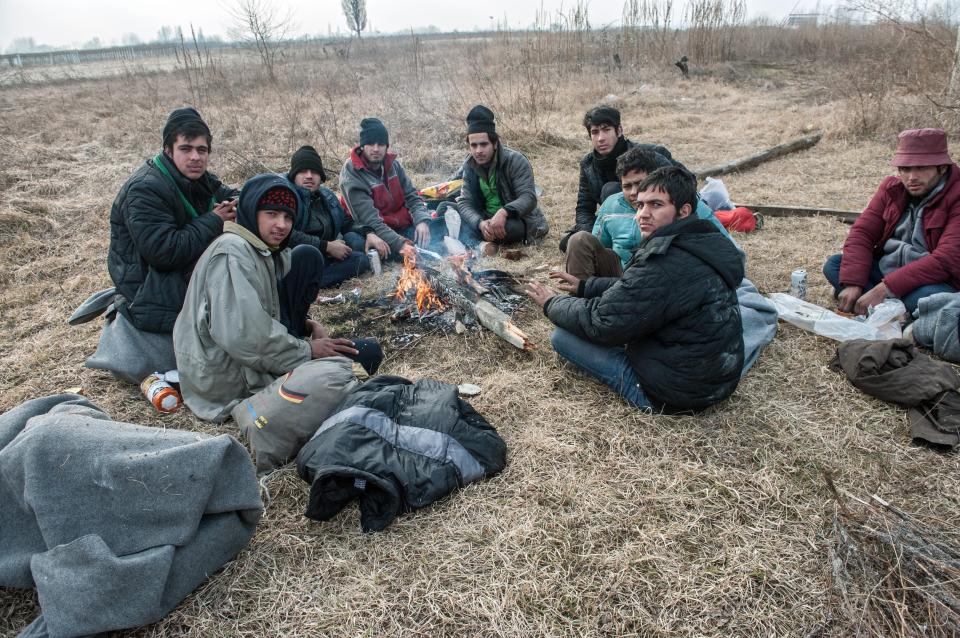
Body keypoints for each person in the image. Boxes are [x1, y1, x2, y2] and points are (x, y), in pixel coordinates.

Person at [526, 166, 744, 412]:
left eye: (656, 205)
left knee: (562, 337)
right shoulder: (699, 242)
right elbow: (638, 290)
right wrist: (586, 286)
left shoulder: (666, 262)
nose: (642, 214)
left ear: (684, 211)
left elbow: (602, 322)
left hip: (675, 394)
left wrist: (551, 303)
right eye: (640, 206)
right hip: (717, 379)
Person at [173, 173, 382, 422]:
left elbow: (262, 311)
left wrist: (308, 325)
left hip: (249, 358)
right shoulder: (233, 253)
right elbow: (245, 339)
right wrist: (307, 351)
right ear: (252, 212)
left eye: (288, 217)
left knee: (306, 256)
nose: (282, 225)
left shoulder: (264, 248)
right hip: (229, 379)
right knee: (366, 354)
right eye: (271, 214)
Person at [823, 128, 960, 316]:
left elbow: (946, 260)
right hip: (888, 271)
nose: (912, 177)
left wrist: (884, 289)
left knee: (922, 299)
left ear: (942, 167)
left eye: (921, 168)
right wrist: (853, 283)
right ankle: (893, 310)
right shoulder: (892, 189)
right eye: (905, 169)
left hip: (933, 281)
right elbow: (862, 232)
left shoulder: (957, 196)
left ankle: (884, 305)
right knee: (835, 265)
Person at [565, 146, 730, 280]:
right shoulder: (611, 205)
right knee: (579, 240)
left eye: (640, 183)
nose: (634, 192)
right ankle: (582, 303)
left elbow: (726, 249)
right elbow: (597, 248)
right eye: (627, 186)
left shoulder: (683, 204)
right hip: (620, 277)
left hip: (666, 276)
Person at [559, 105, 679, 252]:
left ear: (619, 130)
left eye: (606, 130)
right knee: (572, 242)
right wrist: (591, 236)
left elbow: (685, 181)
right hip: (611, 218)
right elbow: (584, 207)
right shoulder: (588, 164)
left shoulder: (651, 154)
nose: (601, 138)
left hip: (653, 217)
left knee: (611, 190)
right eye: (595, 132)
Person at [339, 117, 444, 260]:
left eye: (381, 144)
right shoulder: (352, 173)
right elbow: (370, 220)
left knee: (438, 226)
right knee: (357, 242)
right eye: (370, 143)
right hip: (371, 230)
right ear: (362, 146)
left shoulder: (393, 164)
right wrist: (401, 245)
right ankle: (395, 252)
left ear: (386, 146)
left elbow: (412, 197)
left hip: (400, 223)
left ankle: (411, 246)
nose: (376, 149)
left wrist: (421, 221)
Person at [453, 105, 549, 250]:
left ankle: (478, 243)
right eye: (474, 145)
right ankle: (483, 242)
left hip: (514, 219)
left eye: (484, 144)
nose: (478, 151)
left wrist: (504, 212)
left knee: (508, 228)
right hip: (485, 218)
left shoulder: (515, 160)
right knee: (446, 210)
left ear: (495, 143)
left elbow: (528, 197)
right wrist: (480, 223)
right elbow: (465, 202)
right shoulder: (470, 165)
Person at [285, 145, 371, 287]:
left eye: (314, 172)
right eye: (303, 171)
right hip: (298, 257)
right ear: (294, 175)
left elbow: (346, 223)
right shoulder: (288, 198)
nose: (309, 176)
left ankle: (316, 278)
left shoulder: (327, 196)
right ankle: (306, 282)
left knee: (360, 256)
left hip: (325, 255)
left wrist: (368, 232)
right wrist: (326, 246)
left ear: (321, 177)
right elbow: (288, 236)